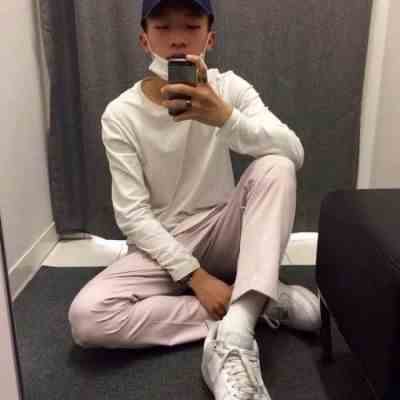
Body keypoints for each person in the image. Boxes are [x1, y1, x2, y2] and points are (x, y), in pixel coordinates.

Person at [68, 0, 321, 398]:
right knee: (88, 318)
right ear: (144, 39)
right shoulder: (120, 114)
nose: (177, 39)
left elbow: (294, 150)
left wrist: (225, 117)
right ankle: (259, 301)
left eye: (190, 26)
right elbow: (133, 215)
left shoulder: (229, 88)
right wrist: (196, 277)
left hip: (222, 231)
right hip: (161, 246)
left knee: (277, 165)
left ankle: (235, 333)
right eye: (163, 27)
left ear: (210, 38)